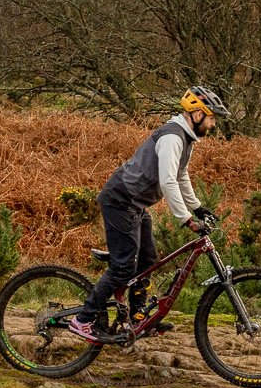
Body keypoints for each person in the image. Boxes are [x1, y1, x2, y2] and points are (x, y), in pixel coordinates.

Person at [67, 86, 229, 343]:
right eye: (211, 118)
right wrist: (186, 219)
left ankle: (137, 318)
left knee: (147, 260)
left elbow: (181, 175)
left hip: (136, 204)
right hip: (121, 201)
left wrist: (197, 207)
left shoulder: (186, 139)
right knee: (122, 269)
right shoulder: (173, 138)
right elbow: (167, 181)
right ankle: (83, 319)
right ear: (197, 115)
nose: (213, 124)